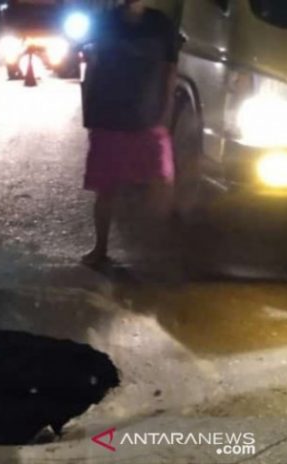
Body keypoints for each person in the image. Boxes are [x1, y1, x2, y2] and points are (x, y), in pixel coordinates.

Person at [81, 0, 180, 266]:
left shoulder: (160, 24)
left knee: (158, 187)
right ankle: (100, 248)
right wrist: (88, 111)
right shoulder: (105, 22)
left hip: (148, 117)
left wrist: (166, 113)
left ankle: (155, 250)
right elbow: (93, 65)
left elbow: (170, 72)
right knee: (106, 189)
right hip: (109, 115)